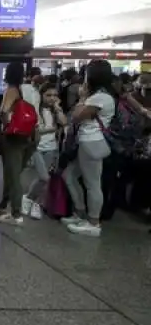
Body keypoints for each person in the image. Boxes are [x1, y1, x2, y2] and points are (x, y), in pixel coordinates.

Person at [62, 60, 116, 236]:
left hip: (92, 142)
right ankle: (80, 212)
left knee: (92, 183)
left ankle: (93, 223)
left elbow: (76, 116)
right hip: (87, 142)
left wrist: (83, 97)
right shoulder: (102, 96)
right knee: (69, 175)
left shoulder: (100, 97)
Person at [0, 61, 35, 225]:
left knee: (13, 175)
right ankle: (3, 204)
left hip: (14, 137)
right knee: (14, 172)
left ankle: (16, 214)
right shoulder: (30, 89)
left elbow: (4, 111)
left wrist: (5, 126)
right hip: (30, 135)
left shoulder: (12, 90)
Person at [23, 83, 66, 218]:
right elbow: (34, 130)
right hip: (36, 147)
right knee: (44, 177)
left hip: (51, 148)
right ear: (41, 95)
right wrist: (51, 129)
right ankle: (29, 197)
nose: (52, 98)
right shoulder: (36, 109)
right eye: (48, 95)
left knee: (43, 179)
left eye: (55, 95)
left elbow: (64, 122)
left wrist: (58, 108)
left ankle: (35, 202)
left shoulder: (55, 110)